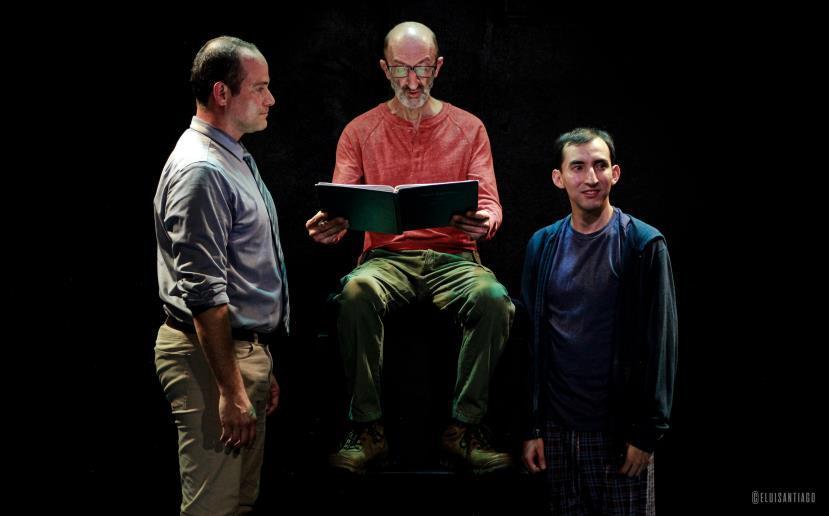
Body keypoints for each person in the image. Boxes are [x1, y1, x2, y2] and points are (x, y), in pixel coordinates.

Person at [306, 21, 514, 474]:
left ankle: (464, 428)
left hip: (455, 257)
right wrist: (331, 223)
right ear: (385, 69)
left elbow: (490, 202)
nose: (413, 82)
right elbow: (340, 200)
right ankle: (367, 429)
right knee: (355, 292)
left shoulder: (469, 128)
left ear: (438, 67)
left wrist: (486, 221)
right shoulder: (360, 130)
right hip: (386, 259)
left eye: (422, 69)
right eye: (401, 69)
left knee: (494, 299)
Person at [153, 35, 288, 515]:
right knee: (213, 508)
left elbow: (238, 270)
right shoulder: (203, 169)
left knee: (239, 503)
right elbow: (204, 293)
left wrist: (257, 360)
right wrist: (231, 388)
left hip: (236, 354)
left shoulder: (232, 154)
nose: (271, 99)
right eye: (260, 88)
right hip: (209, 359)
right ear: (222, 93)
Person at [520, 128, 677, 514]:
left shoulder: (642, 244)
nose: (591, 178)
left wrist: (647, 434)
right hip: (556, 433)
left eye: (600, 166)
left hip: (620, 434)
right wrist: (532, 428)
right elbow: (530, 342)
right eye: (577, 167)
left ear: (615, 173)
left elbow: (662, 344)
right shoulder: (542, 245)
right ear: (559, 178)